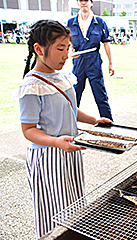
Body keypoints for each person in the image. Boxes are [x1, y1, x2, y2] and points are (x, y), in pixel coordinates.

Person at [11, 20, 112, 239]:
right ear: (39, 49)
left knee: (74, 206)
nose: (66, 55)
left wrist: (95, 120)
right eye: (60, 49)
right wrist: (57, 142)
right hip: (48, 157)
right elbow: (28, 130)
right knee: (53, 211)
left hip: (69, 152)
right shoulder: (31, 86)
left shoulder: (64, 77)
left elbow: (71, 109)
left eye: (68, 48)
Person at [67, 0, 115, 121]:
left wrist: (111, 63)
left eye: (86, 0)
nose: (84, 3)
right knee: (74, 94)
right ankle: (69, 122)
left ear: (91, 3)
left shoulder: (99, 22)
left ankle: (108, 124)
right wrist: (70, 51)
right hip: (78, 62)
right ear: (78, 3)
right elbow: (68, 42)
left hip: (94, 62)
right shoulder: (71, 22)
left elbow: (106, 43)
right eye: (81, 0)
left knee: (100, 95)